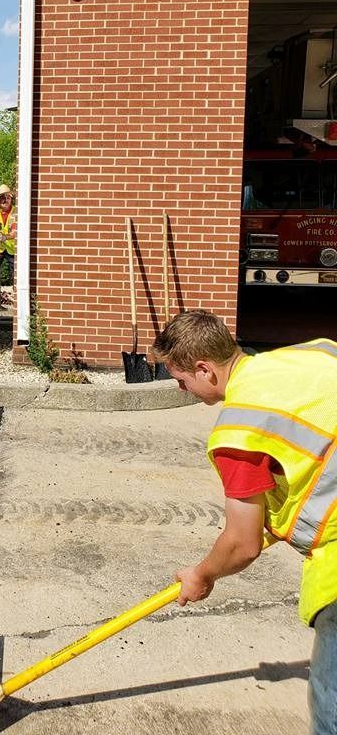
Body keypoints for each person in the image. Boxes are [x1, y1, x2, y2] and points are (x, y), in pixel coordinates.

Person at [152, 310, 337, 735]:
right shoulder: (313, 353)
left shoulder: (241, 431)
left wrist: (201, 575)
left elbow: (242, 543)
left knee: (331, 705)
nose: (183, 390)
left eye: (182, 380)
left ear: (205, 369)